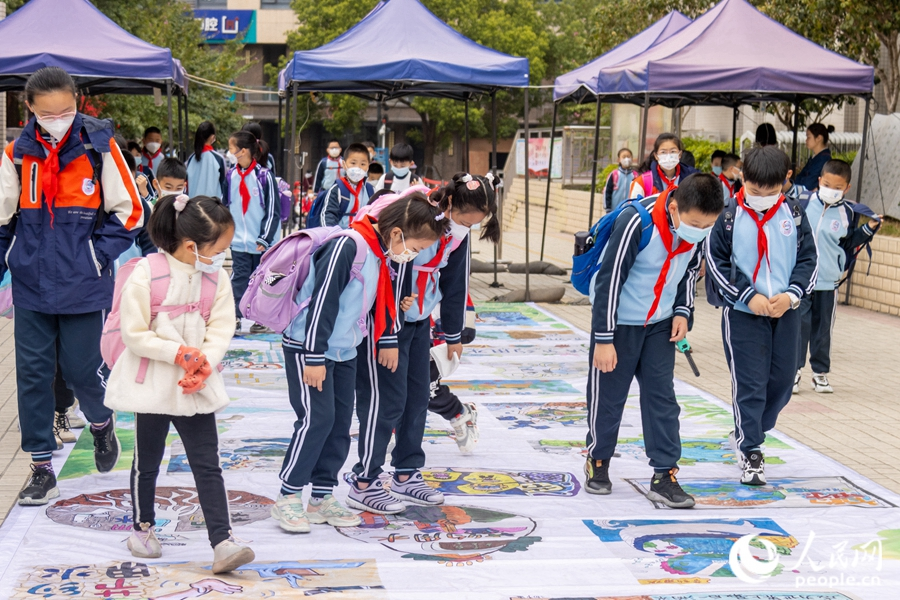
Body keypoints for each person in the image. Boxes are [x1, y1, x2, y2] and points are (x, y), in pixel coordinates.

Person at [0, 67, 144, 504]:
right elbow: (2, 222)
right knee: (33, 375)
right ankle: (41, 467)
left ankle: (101, 423)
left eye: (65, 111)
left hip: (84, 283)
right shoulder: (16, 155)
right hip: (31, 284)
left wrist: (96, 256)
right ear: (30, 108)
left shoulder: (99, 147)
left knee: (83, 371)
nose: (58, 120)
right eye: (47, 114)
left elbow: (131, 212)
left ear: (76, 102)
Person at [272, 194, 445, 532]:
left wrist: (397, 304)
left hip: (345, 349)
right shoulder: (347, 246)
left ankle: (321, 496)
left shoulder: (380, 254)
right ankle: (288, 496)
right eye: (414, 248)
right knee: (316, 420)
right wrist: (314, 355)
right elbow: (323, 302)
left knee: (338, 425)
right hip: (311, 348)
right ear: (396, 233)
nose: (412, 256)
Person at [104, 193, 254, 573]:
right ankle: (142, 528)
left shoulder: (217, 278)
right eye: (218, 249)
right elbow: (134, 333)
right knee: (147, 461)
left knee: (207, 463)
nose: (222, 255)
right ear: (191, 246)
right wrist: (178, 354)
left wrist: (204, 362)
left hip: (195, 387)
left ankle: (222, 541)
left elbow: (222, 327)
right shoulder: (147, 273)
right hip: (152, 386)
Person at [350, 174, 498, 514]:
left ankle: (406, 472)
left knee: (417, 396)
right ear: (449, 204)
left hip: (418, 320)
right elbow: (393, 274)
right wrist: (388, 333)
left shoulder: (457, 234)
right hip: (385, 321)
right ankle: (365, 480)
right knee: (386, 400)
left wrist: (453, 333)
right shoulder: (414, 215)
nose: (466, 228)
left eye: (473, 224)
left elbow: (456, 280)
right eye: (463, 221)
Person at [586, 174, 723, 508]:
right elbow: (609, 279)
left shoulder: (696, 231)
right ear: (674, 208)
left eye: (708, 225)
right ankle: (598, 459)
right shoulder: (638, 222)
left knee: (662, 399)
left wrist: (683, 312)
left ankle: (664, 474)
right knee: (609, 397)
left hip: (660, 325)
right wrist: (604, 338)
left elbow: (689, 271)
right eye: (695, 224)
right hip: (620, 325)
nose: (701, 231)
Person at [706, 146, 818, 486]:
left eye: (771, 191)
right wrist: (747, 296)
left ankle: (751, 427)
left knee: (783, 381)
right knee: (750, 384)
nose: (763, 198)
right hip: (744, 314)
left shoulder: (794, 213)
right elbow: (716, 262)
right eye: (755, 190)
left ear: (786, 180)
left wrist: (792, 294)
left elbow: (809, 259)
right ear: (743, 177)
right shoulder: (728, 215)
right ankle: (751, 449)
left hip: (785, 311)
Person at [796, 159, 880, 394]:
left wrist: (868, 228)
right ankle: (794, 371)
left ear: (847, 188)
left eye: (838, 187)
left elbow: (848, 242)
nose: (831, 190)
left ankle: (820, 373)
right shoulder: (802, 203)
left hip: (828, 281)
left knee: (823, 329)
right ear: (819, 180)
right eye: (827, 184)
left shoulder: (848, 212)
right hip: (802, 280)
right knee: (799, 326)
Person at [223, 131, 280, 334]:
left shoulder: (264, 176)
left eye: (231, 149)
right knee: (239, 277)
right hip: (238, 241)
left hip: (260, 242)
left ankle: (261, 318)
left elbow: (273, 211)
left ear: (244, 151)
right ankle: (235, 316)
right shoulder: (230, 176)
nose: (229, 153)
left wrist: (265, 237)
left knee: (261, 280)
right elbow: (226, 206)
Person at [428, 296, 478, 453]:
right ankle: (390, 432)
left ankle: (459, 413)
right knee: (392, 385)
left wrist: (454, 335)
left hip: (432, 332)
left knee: (426, 389)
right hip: (396, 323)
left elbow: (456, 287)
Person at [319, 143, 372, 229]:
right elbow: (328, 214)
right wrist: (333, 234)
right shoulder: (337, 189)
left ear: (368, 166)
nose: (358, 168)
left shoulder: (370, 189)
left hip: (363, 235)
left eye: (363, 164)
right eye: (353, 163)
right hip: (340, 234)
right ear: (344, 164)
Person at [629, 133, 698, 198]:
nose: (668, 156)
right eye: (663, 152)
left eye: (673, 151)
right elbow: (633, 206)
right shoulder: (642, 182)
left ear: (680, 154)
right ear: (656, 156)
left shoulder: (692, 179)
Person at [187, 121, 227, 199]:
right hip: (212, 204)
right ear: (212, 137)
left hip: (193, 203)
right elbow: (223, 184)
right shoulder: (218, 158)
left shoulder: (191, 158)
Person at [794, 123, 834, 191]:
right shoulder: (817, 157)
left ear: (819, 138)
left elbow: (808, 183)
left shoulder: (823, 159)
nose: (806, 140)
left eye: (808, 137)